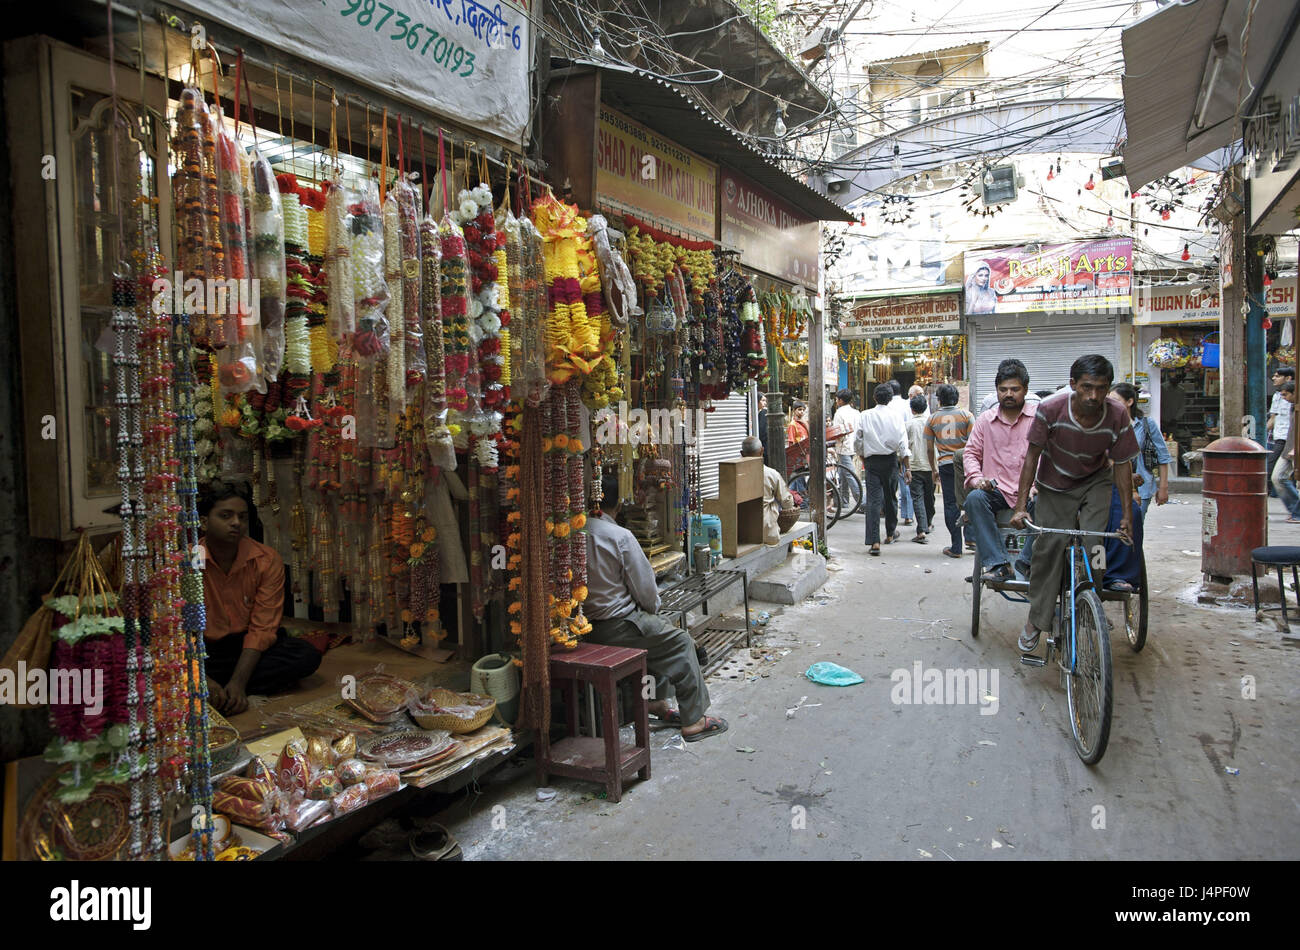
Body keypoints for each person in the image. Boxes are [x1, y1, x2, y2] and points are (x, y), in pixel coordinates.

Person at [1010, 355, 1138, 653]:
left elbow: (1122, 465)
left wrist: (1127, 515)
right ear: (1073, 385)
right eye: (1086, 387)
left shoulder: (1118, 414)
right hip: (1054, 484)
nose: (1093, 396)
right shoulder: (1051, 409)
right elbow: (1032, 457)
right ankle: (1036, 619)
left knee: (1096, 545)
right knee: (1049, 547)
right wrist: (1020, 506)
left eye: (1101, 388)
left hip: (1095, 481)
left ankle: (1092, 600)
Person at [584, 473, 727, 741]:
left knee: (657, 629)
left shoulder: (574, 532)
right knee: (680, 641)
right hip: (617, 626)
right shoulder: (619, 536)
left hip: (587, 627)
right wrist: (653, 608)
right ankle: (694, 721)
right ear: (618, 505)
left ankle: (655, 703)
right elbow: (648, 595)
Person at [199, 481, 322, 714]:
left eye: (242, 517)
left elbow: (263, 628)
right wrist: (199, 676)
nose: (236, 523)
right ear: (204, 522)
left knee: (306, 656)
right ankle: (209, 686)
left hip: (248, 649)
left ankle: (224, 691)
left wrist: (239, 682)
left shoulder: (266, 559)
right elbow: (179, 631)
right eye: (226, 516)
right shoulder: (187, 562)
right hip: (205, 652)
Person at [963, 358, 1038, 581]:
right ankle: (998, 563)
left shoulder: (1038, 418)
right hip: (998, 491)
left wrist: (1038, 486)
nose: (1008, 394)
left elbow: (1051, 456)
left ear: (1025, 390)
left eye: (1014, 389)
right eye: (1003, 389)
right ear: (996, 391)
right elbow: (970, 453)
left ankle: (1026, 561)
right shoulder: (986, 420)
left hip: (1032, 490)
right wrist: (977, 479)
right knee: (975, 499)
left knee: (1050, 505)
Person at [1102, 383, 1170, 591]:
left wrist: (1162, 487)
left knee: (1131, 521)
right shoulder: (1105, 423)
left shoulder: (1145, 425)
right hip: (1110, 482)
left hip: (1139, 484)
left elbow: (1162, 456)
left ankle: (1121, 572)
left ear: (1129, 402)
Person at [856, 382, 910, 555]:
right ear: (890, 398)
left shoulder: (865, 415)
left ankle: (874, 541)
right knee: (890, 497)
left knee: (873, 500)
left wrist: (862, 456)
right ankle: (890, 532)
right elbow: (903, 443)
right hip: (890, 460)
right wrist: (907, 467)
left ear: (874, 398)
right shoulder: (896, 416)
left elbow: (858, 440)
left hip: (872, 461)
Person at [925, 383, 975, 558]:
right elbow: (974, 443)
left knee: (950, 504)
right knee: (970, 499)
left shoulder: (932, 419)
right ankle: (971, 538)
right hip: (966, 463)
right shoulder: (967, 416)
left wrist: (933, 469)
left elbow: (930, 448)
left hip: (946, 465)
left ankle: (956, 546)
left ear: (939, 400)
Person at [741, 436, 794, 544]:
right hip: (766, 533)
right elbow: (787, 503)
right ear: (762, 451)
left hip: (740, 533)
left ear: (742, 454)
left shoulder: (735, 474)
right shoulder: (771, 474)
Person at [905, 394, 935, 543]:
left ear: (912, 409)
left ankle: (922, 530)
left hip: (914, 465)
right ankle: (928, 523)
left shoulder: (908, 425)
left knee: (917, 498)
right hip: (931, 466)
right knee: (929, 497)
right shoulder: (932, 423)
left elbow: (904, 448)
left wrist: (904, 467)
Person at [1270, 383, 1300, 523]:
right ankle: (1296, 508)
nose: (1284, 398)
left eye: (1286, 394)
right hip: (1288, 448)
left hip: (1295, 448)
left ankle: (1297, 513)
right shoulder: (1293, 406)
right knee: (1277, 477)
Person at [888, 380, 915, 524]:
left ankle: (889, 515)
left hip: (890, 451)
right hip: (905, 449)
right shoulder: (907, 404)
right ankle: (908, 515)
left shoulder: (887, 406)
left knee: (889, 486)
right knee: (906, 482)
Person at [1267, 367, 1295, 497]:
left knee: (1275, 470)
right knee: (1278, 474)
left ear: (1288, 378)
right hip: (1278, 437)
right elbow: (1273, 418)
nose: (1274, 378)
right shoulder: (1277, 396)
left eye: (1277, 376)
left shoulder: (1294, 398)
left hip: (1289, 439)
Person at [831, 389, 862, 476]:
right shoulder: (856, 412)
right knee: (844, 474)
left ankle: (857, 490)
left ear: (841, 400)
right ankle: (843, 490)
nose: (836, 401)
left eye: (836, 399)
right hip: (854, 446)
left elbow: (837, 432)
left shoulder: (839, 413)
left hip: (844, 447)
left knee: (849, 474)